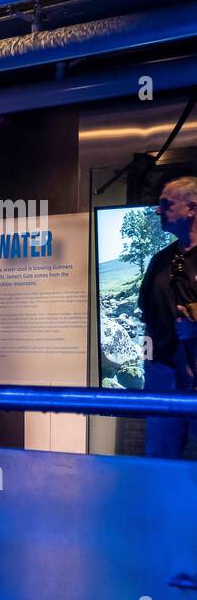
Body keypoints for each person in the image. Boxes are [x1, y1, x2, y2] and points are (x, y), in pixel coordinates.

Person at [138, 176, 197, 458]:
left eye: (166, 204)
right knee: (160, 460)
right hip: (163, 378)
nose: (158, 211)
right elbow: (146, 311)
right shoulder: (160, 261)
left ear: (192, 209)